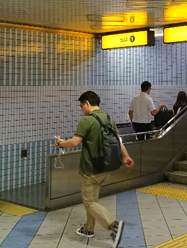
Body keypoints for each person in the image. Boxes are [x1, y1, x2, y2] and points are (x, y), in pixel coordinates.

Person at [56, 91, 134, 248]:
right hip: (106, 167)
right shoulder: (108, 118)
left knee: (89, 202)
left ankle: (113, 225)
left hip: (91, 168)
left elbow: (74, 142)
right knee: (92, 198)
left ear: (87, 103)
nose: (82, 110)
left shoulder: (87, 120)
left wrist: (60, 143)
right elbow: (118, 141)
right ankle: (88, 229)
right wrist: (126, 156)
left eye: (81, 106)